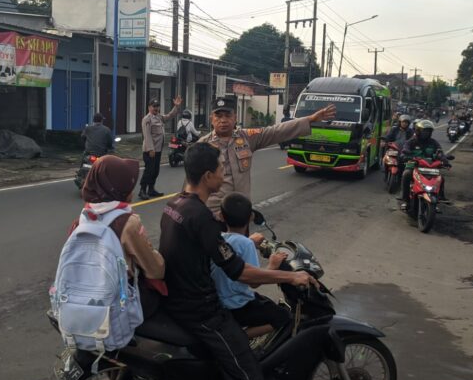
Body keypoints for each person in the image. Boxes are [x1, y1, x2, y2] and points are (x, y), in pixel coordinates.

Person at [159, 142, 318, 380]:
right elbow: (241, 272)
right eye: (220, 168)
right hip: (201, 312)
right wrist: (289, 278)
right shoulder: (201, 217)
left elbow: (211, 251)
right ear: (208, 176)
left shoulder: (175, 205)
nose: (224, 172)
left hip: (179, 300)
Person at [199, 96, 336, 213]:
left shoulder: (246, 138)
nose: (223, 120)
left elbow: (275, 131)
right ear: (211, 119)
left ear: (235, 118)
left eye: (228, 115)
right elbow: (192, 184)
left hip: (241, 212)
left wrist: (310, 119)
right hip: (214, 213)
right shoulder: (202, 146)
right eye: (218, 116)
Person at [77, 155, 166, 315]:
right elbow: (154, 268)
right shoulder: (127, 222)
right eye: (129, 183)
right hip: (116, 304)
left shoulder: (85, 214)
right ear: (117, 187)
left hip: (84, 296)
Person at [210, 192, 292, 341]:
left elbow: (233, 249)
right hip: (236, 304)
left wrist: (249, 240)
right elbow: (255, 282)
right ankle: (238, 339)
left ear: (222, 216)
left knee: (265, 302)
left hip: (219, 301)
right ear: (250, 218)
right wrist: (273, 265)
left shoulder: (219, 237)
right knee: (283, 316)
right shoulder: (246, 244)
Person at [140, 96, 182, 200]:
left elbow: (170, 116)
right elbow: (147, 135)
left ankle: (151, 189)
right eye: (154, 106)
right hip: (150, 151)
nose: (156, 108)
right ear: (149, 107)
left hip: (158, 150)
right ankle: (142, 190)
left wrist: (176, 107)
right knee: (149, 171)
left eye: (157, 106)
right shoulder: (147, 119)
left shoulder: (159, 117)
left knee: (155, 171)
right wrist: (151, 149)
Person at [400, 120, 448, 209]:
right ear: (418, 130)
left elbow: (440, 153)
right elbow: (405, 150)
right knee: (406, 175)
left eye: (428, 131)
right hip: (414, 166)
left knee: (441, 179)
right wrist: (406, 155)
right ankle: (405, 200)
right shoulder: (411, 142)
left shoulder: (433, 142)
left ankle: (439, 197)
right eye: (424, 130)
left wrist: (444, 160)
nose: (426, 133)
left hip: (430, 168)